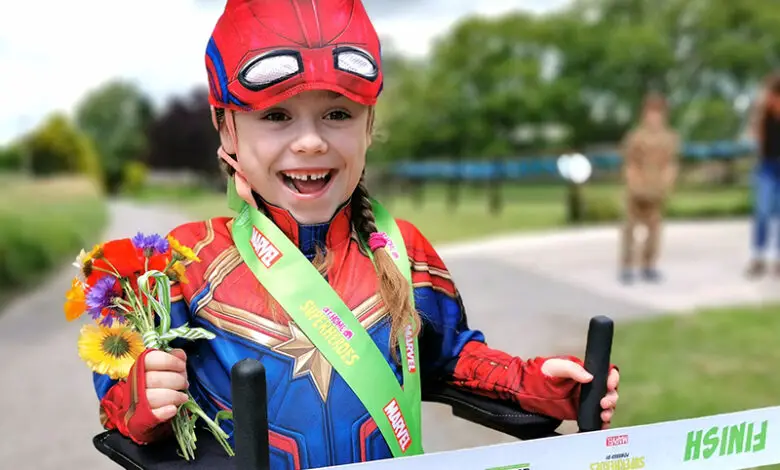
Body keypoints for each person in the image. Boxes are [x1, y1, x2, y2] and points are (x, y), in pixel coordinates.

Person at [92, 1, 620, 467]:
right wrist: (142, 400)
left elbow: (450, 359)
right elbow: (121, 406)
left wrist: (534, 383)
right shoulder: (181, 264)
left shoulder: (404, 250)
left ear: (369, 126)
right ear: (226, 125)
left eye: (337, 114)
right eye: (276, 115)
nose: (310, 143)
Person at [618, 91, 680, 284]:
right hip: (637, 188)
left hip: (657, 189)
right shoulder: (635, 137)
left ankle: (649, 265)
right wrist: (633, 183)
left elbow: (671, 164)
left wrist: (667, 183)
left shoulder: (670, 138)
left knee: (654, 229)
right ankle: (627, 265)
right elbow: (629, 163)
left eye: (658, 112)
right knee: (630, 227)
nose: (654, 117)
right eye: (650, 112)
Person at [745, 73, 780, 278]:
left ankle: (777, 259)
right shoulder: (763, 115)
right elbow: (754, 133)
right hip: (766, 167)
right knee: (763, 212)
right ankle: (758, 257)